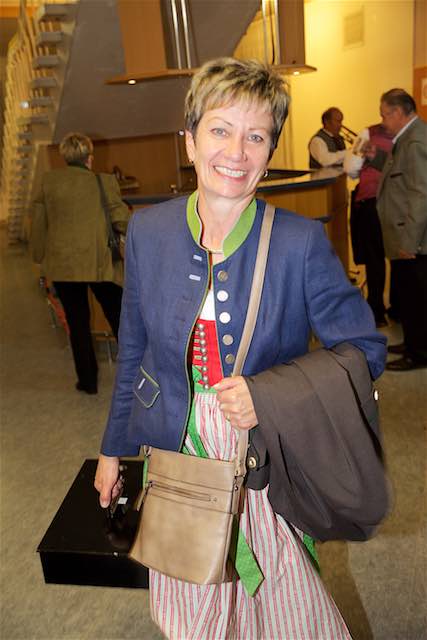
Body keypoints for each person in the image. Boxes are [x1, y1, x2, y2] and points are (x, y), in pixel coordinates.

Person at [95, 58, 386, 638]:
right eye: (220, 130)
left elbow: (364, 349)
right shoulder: (148, 232)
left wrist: (270, 396)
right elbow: (134, 351)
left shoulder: (300, 242)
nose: (236, 151)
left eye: (256, 136)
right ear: (190, 140)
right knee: (193, 603)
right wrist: (112, 450)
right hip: (177, 453)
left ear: (271, 150)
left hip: (261, 455)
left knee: (280, 600)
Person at [31, 132, 131, 394]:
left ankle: (87, 382)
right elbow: (121, 219)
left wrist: (38, 256)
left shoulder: (49, 182)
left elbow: (39, 223)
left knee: (77, 323)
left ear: (65, 157)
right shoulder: (103, 181)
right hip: (100, 263)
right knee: (119, 318)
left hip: (63, 265)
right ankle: (134, 375)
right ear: (89, 157)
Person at [368, 89, 427, 371]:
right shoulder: (407, 137)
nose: (382, 122)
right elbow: (400, 176)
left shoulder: (415, 140)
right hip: (406, 234)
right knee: (408, 296)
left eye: (384, 115)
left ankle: (419, 353)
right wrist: (376, 156)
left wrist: (410, 241)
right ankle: (413, 342)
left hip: (413, 238)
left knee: (417, 298)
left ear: (398, 112)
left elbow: (421, 193)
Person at [344, 123, 393, 327]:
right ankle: (398, 308)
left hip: (371, 201)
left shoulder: (368, 134)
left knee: (375, 258)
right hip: (397, 202)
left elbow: (351, 169)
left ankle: (376, 311)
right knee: (399, 259)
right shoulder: (406, 135)